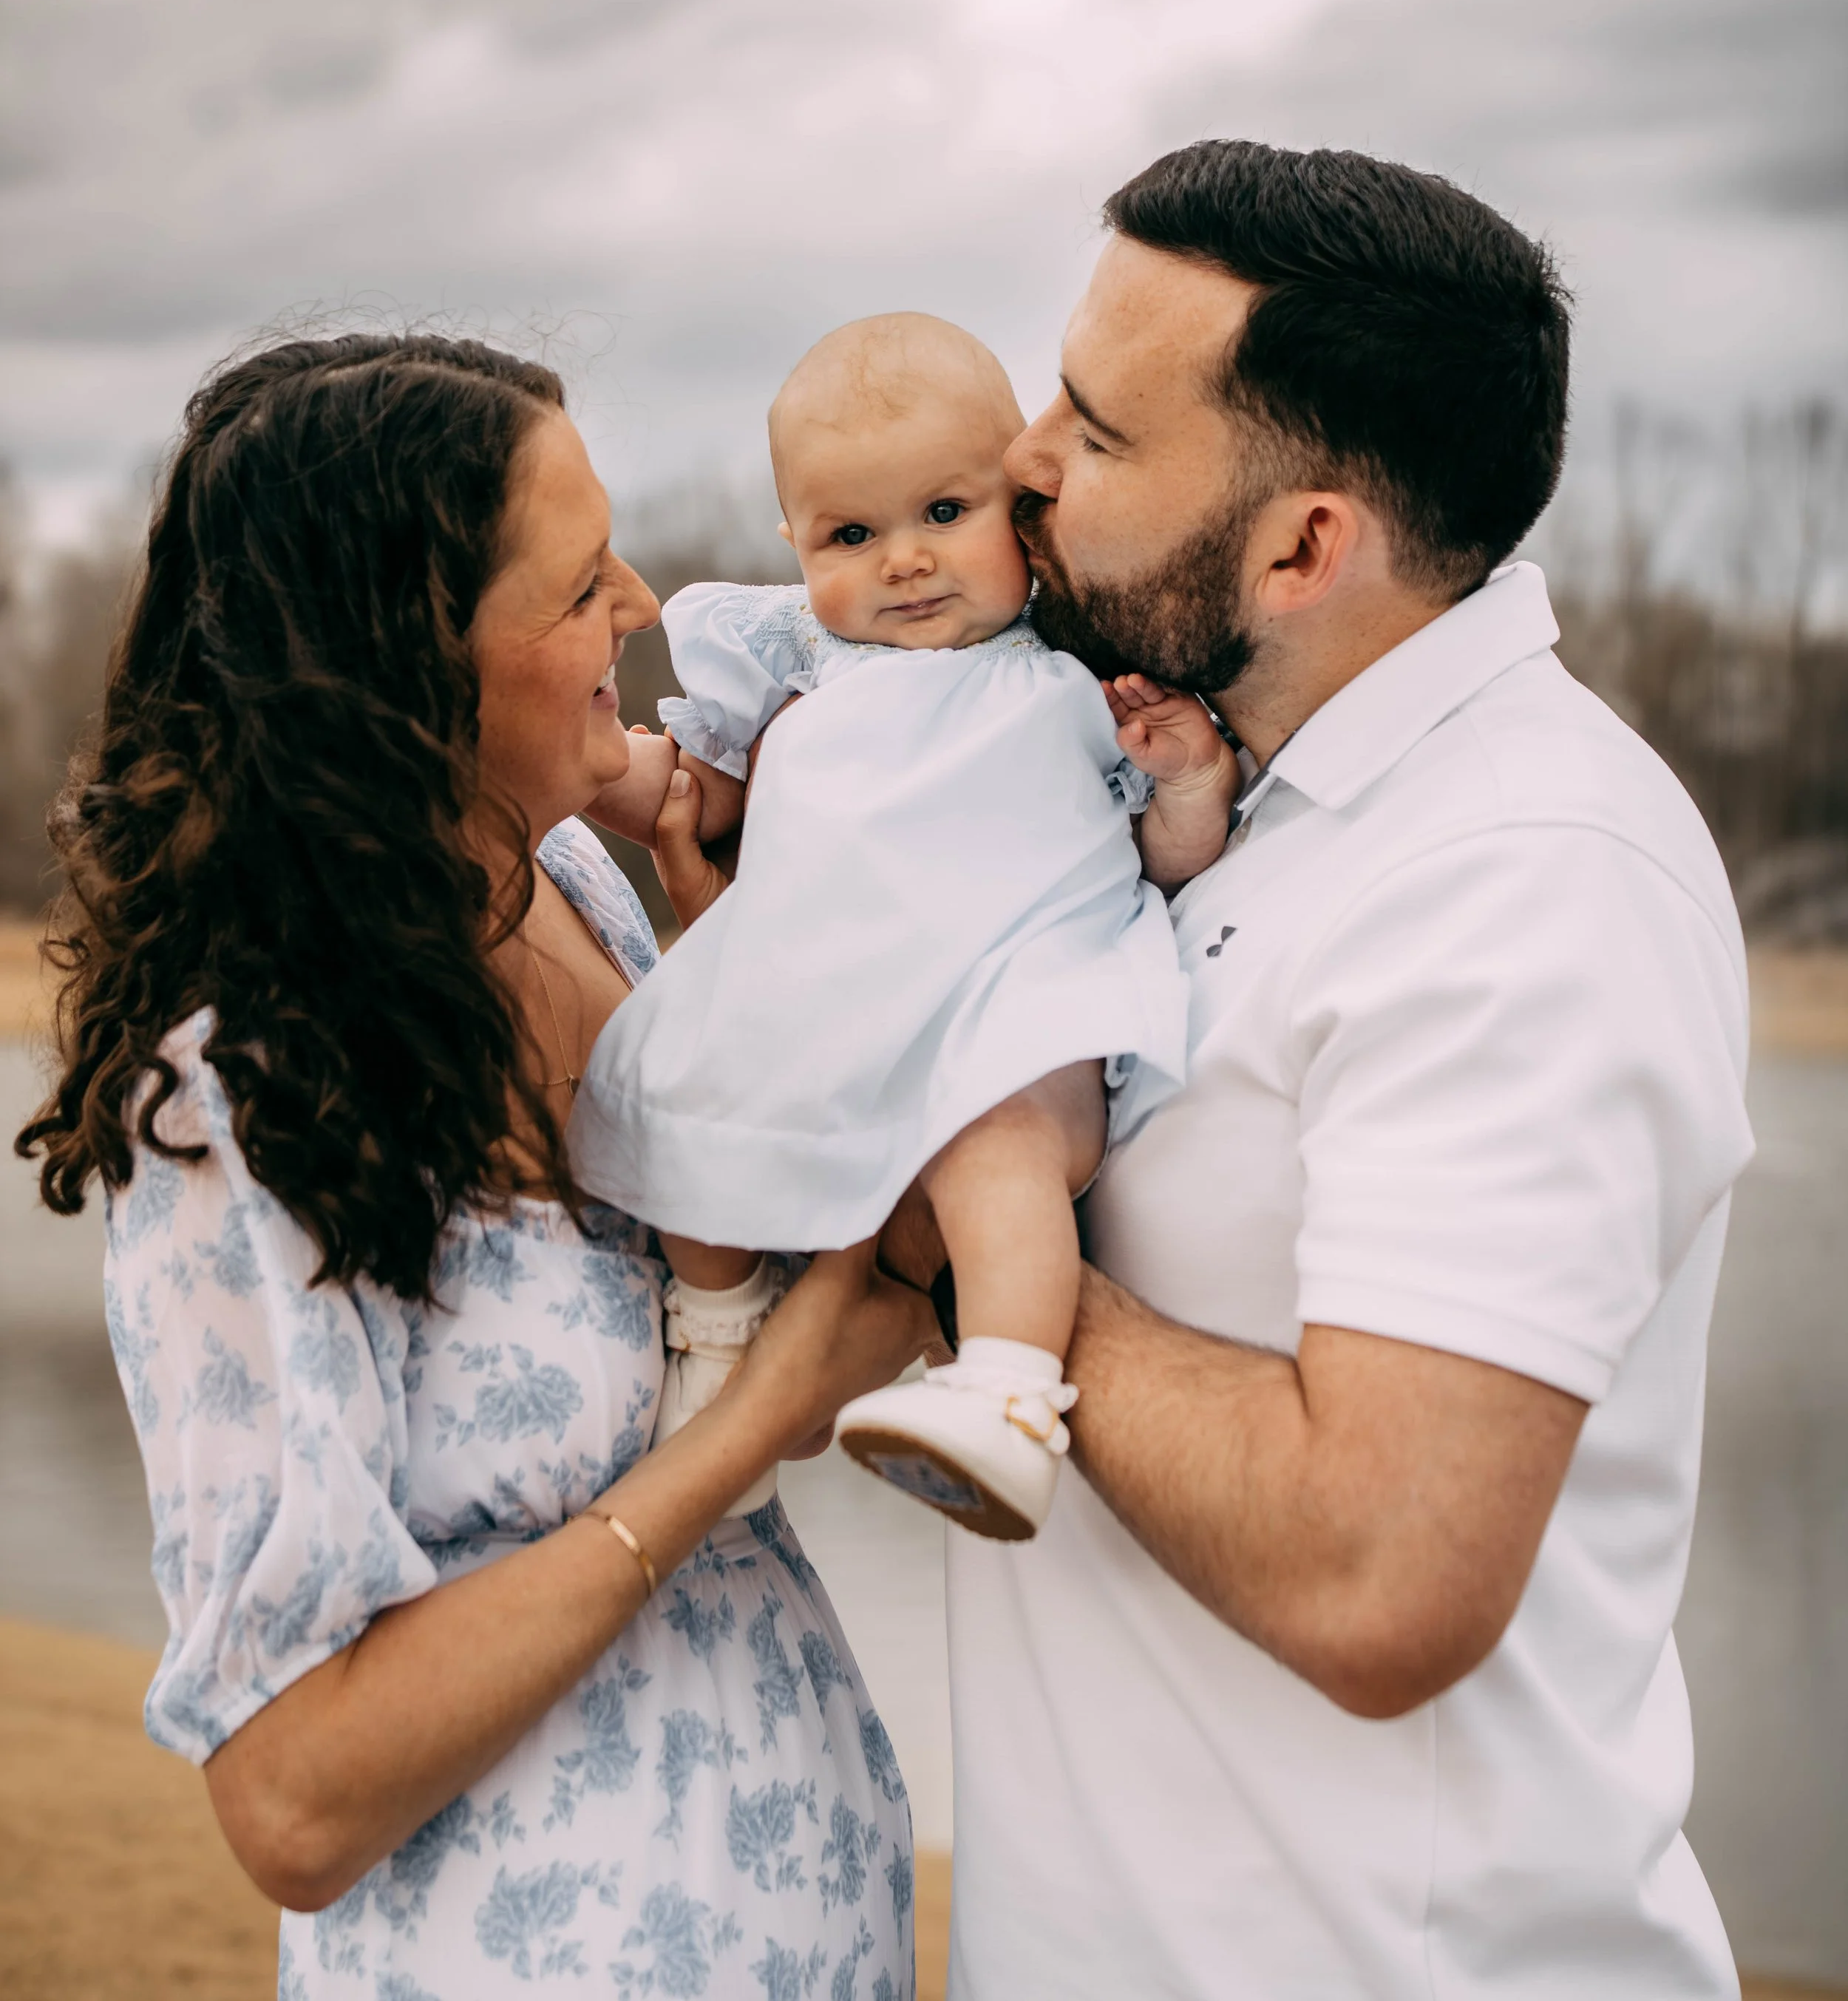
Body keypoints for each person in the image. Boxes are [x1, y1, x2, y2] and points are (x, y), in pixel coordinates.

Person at [16, 333, 935, 2001]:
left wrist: (748, 962)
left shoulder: (581, 890)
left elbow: (795, 1313)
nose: (644, 606)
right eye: (581, 582)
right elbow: (292, 1799)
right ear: (409, 664)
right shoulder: (247, 1104)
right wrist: (742, 1427)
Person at [942, 142, 1756, 2000]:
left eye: (1095, 428)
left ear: (1305, 546)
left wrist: (965, 1273)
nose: (1021, 464)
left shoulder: (1528, 876)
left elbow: (1374, 1577)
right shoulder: (1205, 798)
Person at [573, 310, 1198, 1544]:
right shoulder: (806, 667)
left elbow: (1169, 862)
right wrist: (593, 772)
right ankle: (720, 1327)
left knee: (999, 1158)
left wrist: (1187, 784)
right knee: (678, 1077)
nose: (905, 560)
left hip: (1014, 1008)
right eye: (852, 534)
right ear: (796, 546)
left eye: (945, 513)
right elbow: (693, 792)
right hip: (831, 1004)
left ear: (1020, 510)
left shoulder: (1078, 672)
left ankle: (1011, 1394)